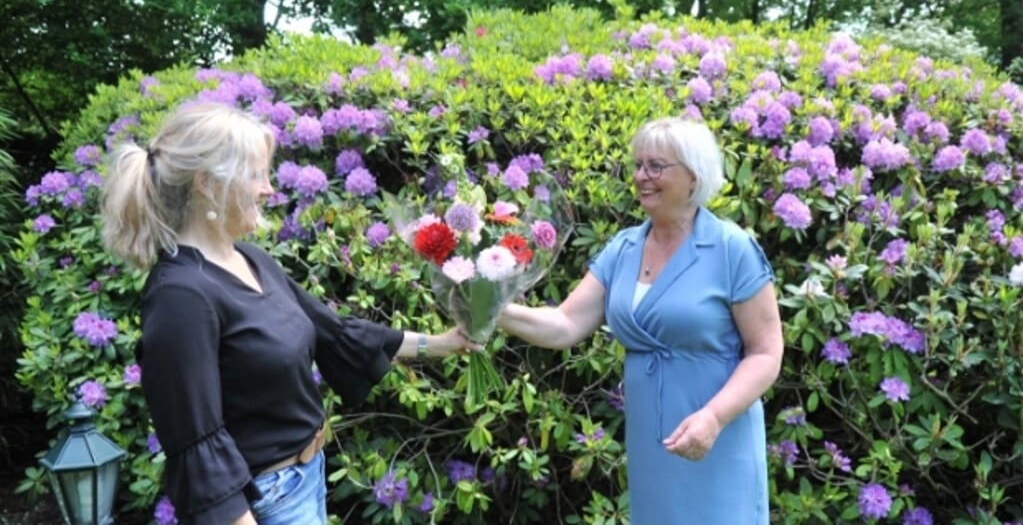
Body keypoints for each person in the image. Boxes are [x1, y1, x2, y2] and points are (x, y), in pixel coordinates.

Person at [100, 101, 476, 525]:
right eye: (256, 174)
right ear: (207, 183)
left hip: (305, 480)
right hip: (263, 504)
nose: (268, 188)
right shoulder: (180, 296)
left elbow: (336, 333)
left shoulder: (251, 259)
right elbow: (195, 439)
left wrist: (444, 344)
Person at [499, 116, 784, 524]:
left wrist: (714, 417)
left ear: (693, 176)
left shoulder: (731, 248)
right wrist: (492, 311)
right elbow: (564, 324)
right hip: (652, 439)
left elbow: (766, 352)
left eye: (655, 166)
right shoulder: (624, 248)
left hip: (716, 434)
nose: (641, 177)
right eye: (638, 165)